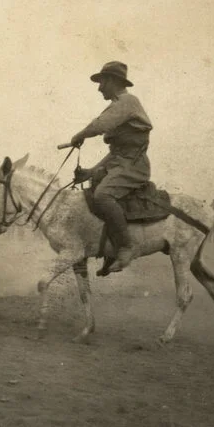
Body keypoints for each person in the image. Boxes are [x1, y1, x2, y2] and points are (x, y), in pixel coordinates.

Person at [71, 61, 153, 272]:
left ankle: (126, 247)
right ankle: (112, 248)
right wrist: (90, 171)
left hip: (134, 166)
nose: (99, 88)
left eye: (102, 82)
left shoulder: (127, 101)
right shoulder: (119, 104)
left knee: (103, 196)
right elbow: (114, 154)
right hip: (120, 163)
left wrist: (80, 135)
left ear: (113, 81)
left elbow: (100, 125)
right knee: (93, 194)